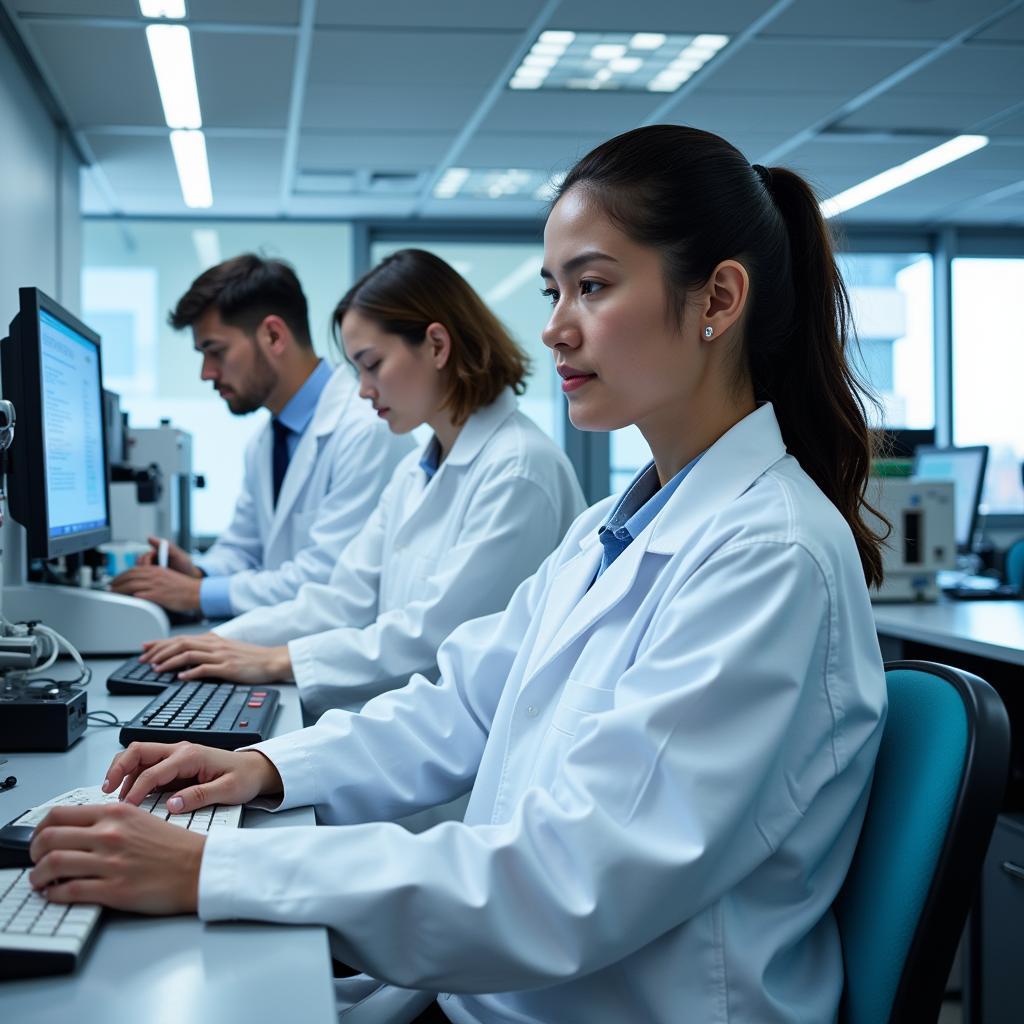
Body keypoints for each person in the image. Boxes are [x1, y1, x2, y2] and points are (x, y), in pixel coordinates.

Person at [31, 125, 888, 1024]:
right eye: (557, 289)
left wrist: (216, 867)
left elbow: (573, 878)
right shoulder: (614, 527)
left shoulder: (769, 558)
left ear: (718, 296)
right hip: (505, 989)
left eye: (592, 286)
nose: (555, 325)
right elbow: (463, 704)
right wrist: (262, 769)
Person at [135, 249, 585, 717]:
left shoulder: (518, 469)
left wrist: (276, 659)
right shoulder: (417, 473)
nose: (364, 389)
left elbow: (433, 635)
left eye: (372, 365)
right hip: (407, 728)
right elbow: (341, 599)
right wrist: (213, 643)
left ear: (435, 346)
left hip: (470, 750)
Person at [111, 254, 412, 618]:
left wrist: (196, 594)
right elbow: (244, 549)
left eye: (215, 351)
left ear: (273, 335)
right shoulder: (265, 442)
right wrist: (197, 572)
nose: (206, 373)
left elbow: (328, 580)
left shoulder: (367, 428)